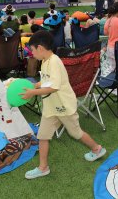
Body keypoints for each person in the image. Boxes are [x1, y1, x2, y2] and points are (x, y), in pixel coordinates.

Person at [20, 30, 106, 179]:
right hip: (51, 107)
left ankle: (97, 149)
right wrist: (36, 85)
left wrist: (32, 93)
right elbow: (47, 81)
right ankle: (43, 167)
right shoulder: (45, 61)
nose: (31, 53)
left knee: (76, 133)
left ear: (40, 48)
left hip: (64, 106)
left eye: (32, 50)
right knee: (43, 136)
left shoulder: (54, 61)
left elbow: (54, 87)